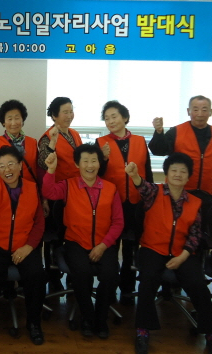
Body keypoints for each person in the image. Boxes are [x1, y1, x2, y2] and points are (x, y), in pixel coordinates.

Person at [125, 153, 212, 354]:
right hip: (153, 248)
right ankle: (143, 330)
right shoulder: (154, 193)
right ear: (167, 174)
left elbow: (195, 234)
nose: (178, 174)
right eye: (174, 170)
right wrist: (134, 175)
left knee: (198, 283)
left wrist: (183, 256)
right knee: (148, 279)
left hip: (182, 252)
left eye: (183, 171)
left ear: (188, 176)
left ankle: (211, 332)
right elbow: (142, 186)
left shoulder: (195, 202)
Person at [42, 144, 123, 339]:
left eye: (94, 161)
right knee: (82, 273)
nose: (90, 165)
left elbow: (118, 222)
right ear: (77, 164)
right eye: (85, 161)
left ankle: (101, 318)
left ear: (100, 163)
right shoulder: (68, 185)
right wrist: (51, 170)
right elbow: (49, 192)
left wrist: (103, 246)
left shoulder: (111, 188)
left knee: (111, 275)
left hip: (104, 244)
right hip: (76, 242)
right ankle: (87, 317)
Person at [0, 146, 46, 345]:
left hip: (24, 244)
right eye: (1, 166)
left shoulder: (32, 188)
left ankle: (34, 323)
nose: (7, 169)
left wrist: (29, 247)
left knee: (36, 275)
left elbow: (39, 222)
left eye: (10, 164)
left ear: (20, 165)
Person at [96, 100, 153, 305]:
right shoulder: (101, 143)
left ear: (125, 117)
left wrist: (150, 199)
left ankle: (127, 289)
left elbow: (147, 172)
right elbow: (96, 174)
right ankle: (109, 288)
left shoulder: (140, 141)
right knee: (111, 246)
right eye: (107, 118)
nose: (111, 121)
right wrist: (102, 159)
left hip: (136, 203)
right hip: (112, 202)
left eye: (114, 116)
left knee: (131, 248)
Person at [37, 97, 83, 290]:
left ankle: (74, 276)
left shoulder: (75, 134)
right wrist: (53, 142)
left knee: (74, 236)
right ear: (54, 115)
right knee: (54, 238)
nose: (69, 115)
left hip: (76, 195)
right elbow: (42, 164)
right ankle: (54, 279)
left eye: (71, 111)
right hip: (56, 196)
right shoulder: (47, 137)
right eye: (65, 112)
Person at [148, 95, 212, 195]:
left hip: (210, 191)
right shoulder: (176, 131)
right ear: (188, 111)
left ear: (210, 112)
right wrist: (159, 132)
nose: (200, 114)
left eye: (204, 110)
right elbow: (158, 151)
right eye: (195, 110)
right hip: (179, 191)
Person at [0, 99, 40, 184]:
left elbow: (38, 170)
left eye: (17, 118)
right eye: (9, 119)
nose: (13, 123)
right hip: (1, 190)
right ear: (3, 122)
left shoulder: (32, 142)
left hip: (28, 190)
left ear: (22, 120)